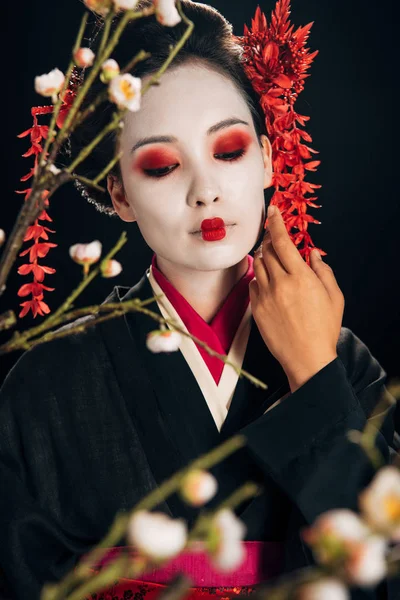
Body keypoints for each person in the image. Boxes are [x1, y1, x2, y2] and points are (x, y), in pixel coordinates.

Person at [0, 1, 398, 599]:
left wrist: (316, 377)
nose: (205, 191)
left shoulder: (343, 366)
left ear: (267, 159)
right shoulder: (47, 385)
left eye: (229, 150)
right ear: (121, 193)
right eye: (161, 165)